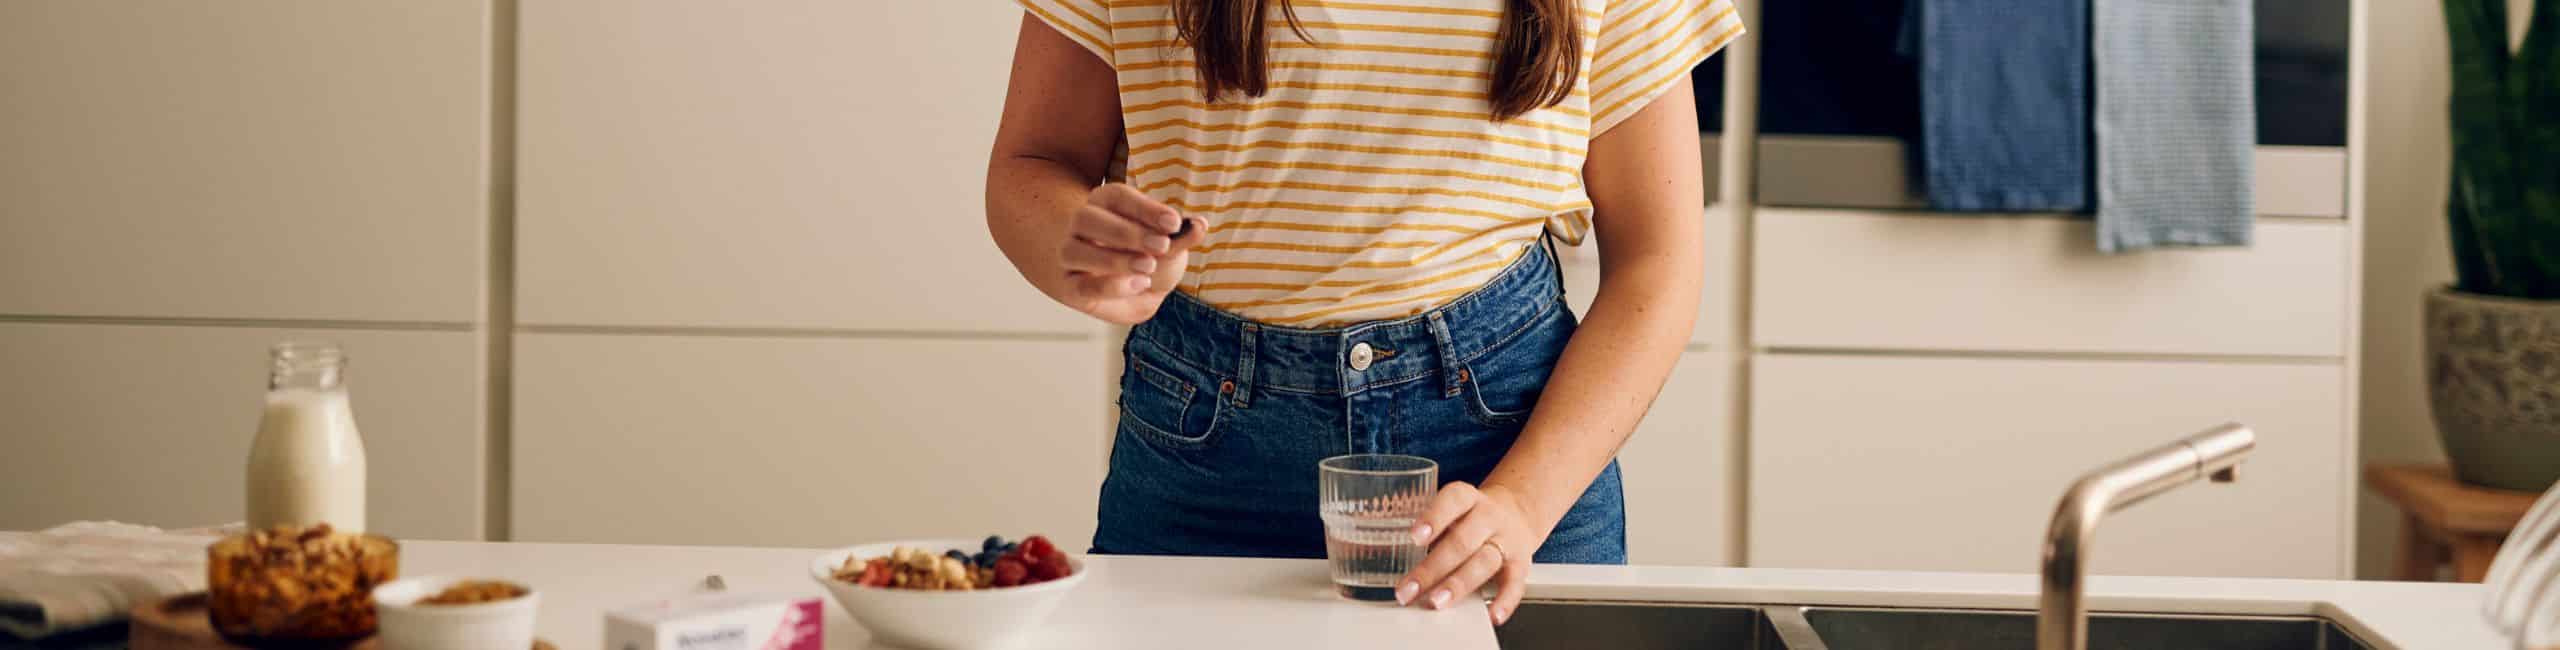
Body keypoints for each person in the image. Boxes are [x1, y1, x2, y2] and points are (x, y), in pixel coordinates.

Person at [985, 0, 1741, 626]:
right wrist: (1078, 243)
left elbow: (1658, 259)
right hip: (1204, 461)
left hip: (1509, 456)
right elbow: (1033, 165)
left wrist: (1522, 502)